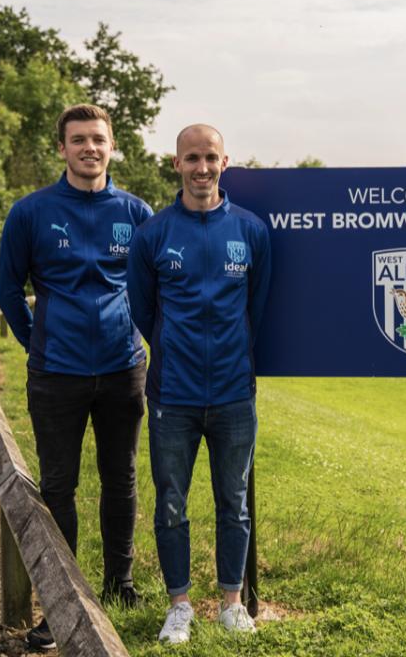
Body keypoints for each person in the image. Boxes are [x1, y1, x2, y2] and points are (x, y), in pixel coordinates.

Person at [0, 104, 152, 651]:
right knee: (59, 487)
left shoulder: (136, 213)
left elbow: (156, 288)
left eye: (99, 140)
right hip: (55, 372)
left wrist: (141, 341)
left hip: (121, 369)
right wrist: (35, 340)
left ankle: (119, 584)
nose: (90, 148)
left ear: (112, 147)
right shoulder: (31, 212)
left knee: (122, 477)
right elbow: (8, 292)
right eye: (79, 139)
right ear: (61, 148)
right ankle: (58, 602)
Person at [126, 124, 271, 644]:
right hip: (173, 394)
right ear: (177, 164)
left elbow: (257, 306)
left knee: (234, 501)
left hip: (235, 393)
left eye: (210, 157)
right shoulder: (154, 234)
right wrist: (176, 348)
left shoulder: (251, 230)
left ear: (225, 162)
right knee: (171, 501)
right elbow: (143, 310)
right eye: (192, 158)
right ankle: (180, 605)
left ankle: (232, 602)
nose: (202, 167)